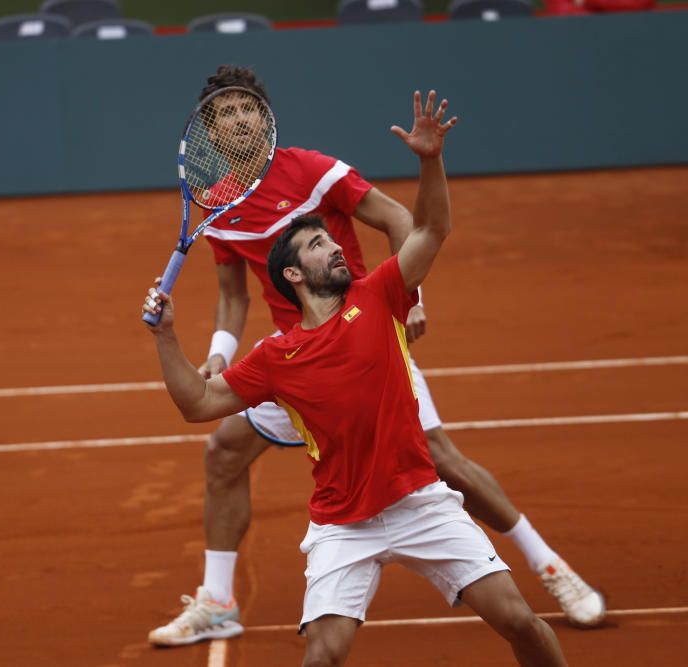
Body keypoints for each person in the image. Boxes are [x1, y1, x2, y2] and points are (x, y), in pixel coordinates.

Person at [147, 65, 604, 647]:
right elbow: (233, 294)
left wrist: (410, 297)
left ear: (265, 119)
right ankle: (217, 601)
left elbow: (400, 219)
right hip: (295, 362)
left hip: (366, 329)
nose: (239, 120)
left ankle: (549, 566)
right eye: (226, 113)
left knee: (439, 458)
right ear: (209, 133)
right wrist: (218, 353)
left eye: (248, 108)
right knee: (224, 452)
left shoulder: (312, 169)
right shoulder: (219, 205)